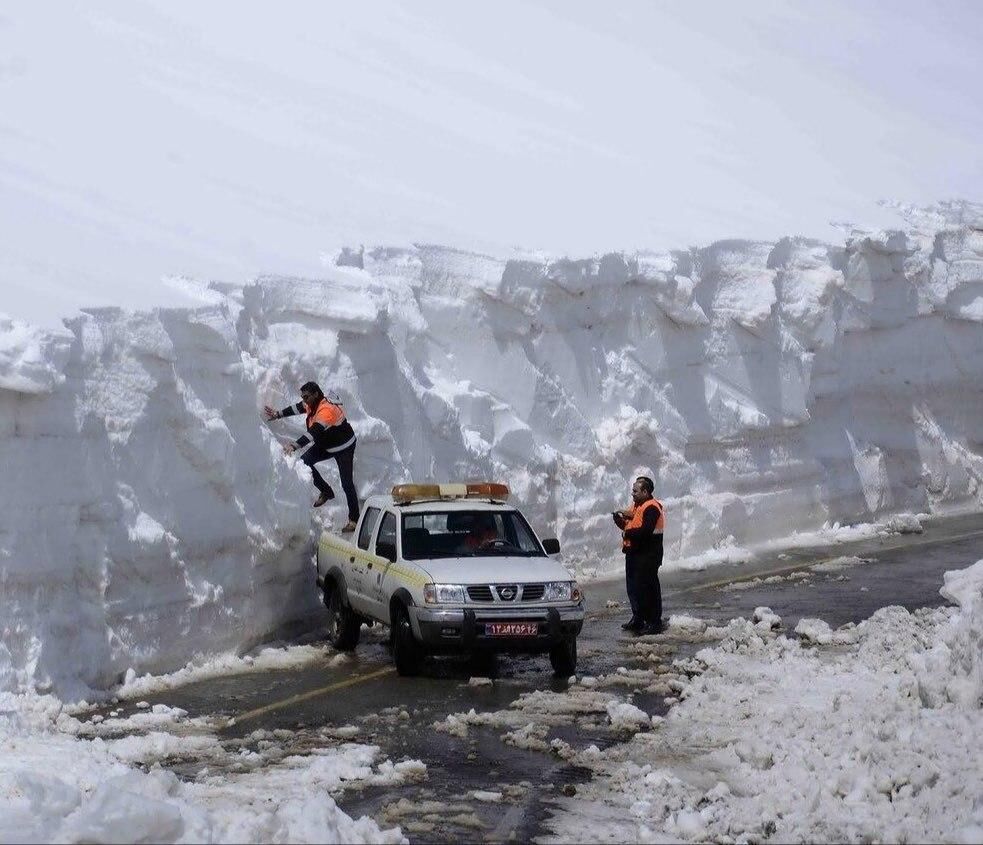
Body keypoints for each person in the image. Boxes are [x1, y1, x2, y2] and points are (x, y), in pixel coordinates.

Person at [264, 382, 360, 531]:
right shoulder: (311, 403)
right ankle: (326, 491)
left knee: (347, 484)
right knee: (305, 463)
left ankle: (354, 520)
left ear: (316, 394)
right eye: (303, 397)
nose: (304, 400)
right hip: (327, 444)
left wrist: (294, 445)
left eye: (306, 397)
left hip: (344, 447)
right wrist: (278, 414)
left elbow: (313, 433)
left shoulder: (326, 410)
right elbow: (297, 408)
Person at [612, 476, 665, 635]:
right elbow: (630, 526)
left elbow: (645, 531)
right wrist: (619, 521)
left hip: (648, 555)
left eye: (635, 491)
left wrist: (627, 532)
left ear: (645, 491)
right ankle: (638, 618)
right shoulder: (637, 506)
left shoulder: (652, 508)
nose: (632, 494)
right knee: (634, 588)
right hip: (634, 553)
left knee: (649, 588)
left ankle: (654, 621)